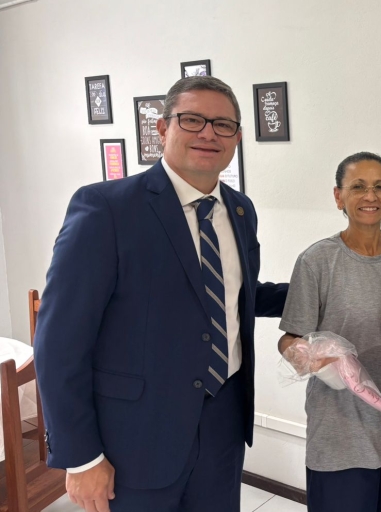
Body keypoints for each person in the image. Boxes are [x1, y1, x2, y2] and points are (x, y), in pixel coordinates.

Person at [33, 76, 289, 512]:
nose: (209, 133)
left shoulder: (241, 211)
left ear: (238, 137)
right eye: (193, 120)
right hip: (133, 438)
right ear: (162, 129)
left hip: (223, 425)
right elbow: (59, 342)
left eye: (223, 125)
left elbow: (233, 295)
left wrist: (326, 289)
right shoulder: (107, 208)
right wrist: (81, 456)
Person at [277, 152, 381, 512]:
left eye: (379, 187)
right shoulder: (317, 261)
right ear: (339, 196)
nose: (370, 196)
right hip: (340, 432)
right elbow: (290, 337)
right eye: (358, 187)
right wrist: (305, 356)